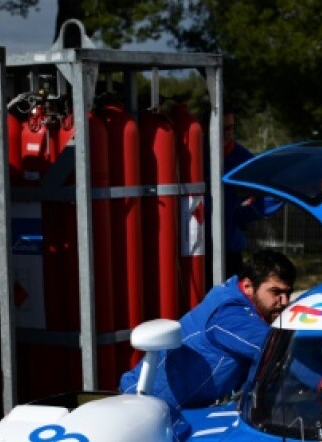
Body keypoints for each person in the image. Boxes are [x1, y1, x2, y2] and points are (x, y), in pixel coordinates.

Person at [120, 249, 296, 413]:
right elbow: (279, 353)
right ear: (248, 286)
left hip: (187, 410)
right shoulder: (229, 315)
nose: (285, 301)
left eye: (288, 293)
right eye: (276, 292)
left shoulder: (238, 297)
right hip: (143, 407)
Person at [221, 112, 281, 278]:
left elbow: (274, 194)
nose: (226, 134)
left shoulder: (243, 160)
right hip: (194, 246)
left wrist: (239, 216)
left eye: (230, 128)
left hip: (229, 249)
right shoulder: (195, 154)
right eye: (221, 128)